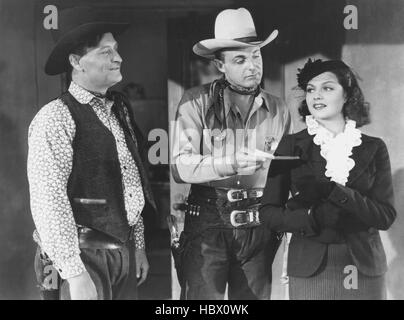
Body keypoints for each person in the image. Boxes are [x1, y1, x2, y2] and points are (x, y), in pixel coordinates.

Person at [27, 8, 156, 300]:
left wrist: (137, 247)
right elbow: (49, 201)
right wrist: (74, 273)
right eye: (105, 51)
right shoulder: (56, 117)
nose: (118, 57)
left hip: (121, 255)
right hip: (81, 257)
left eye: (117, 50)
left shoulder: (118, 111)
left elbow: (129, 184)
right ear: (76, 62)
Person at [171, 8, 292, 300]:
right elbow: (181, 167)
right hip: (207, 224)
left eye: (256, 56)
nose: (252, 66)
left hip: (259, 225)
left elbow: (284, 174)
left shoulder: (279, 109)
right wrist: (232, 163)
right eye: (240, 59)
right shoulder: (195, 102)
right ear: (220, 65)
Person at [259, 58, 396, 299]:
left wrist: (339, 194)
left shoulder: (374, 147)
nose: (316, 96)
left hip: (365, 266)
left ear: (346, 95)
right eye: (311, 89)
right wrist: (311, 218)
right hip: (310, 268)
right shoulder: (291, 145)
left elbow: (385, 216)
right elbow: (268, 212)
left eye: (327, 88)